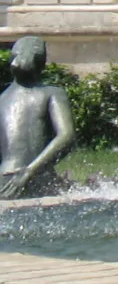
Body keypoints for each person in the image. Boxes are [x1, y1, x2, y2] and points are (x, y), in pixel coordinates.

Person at [0, 36, 74, 198]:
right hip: (37, 178)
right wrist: (30, 171)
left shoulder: (2, 99)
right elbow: (66, 137)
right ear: (42, 64)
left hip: (4, 182)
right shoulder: (53, 93)